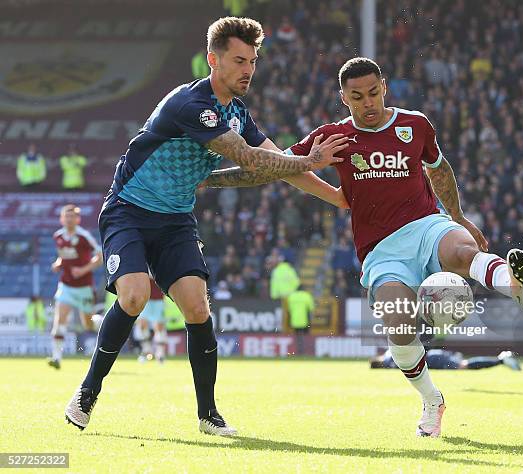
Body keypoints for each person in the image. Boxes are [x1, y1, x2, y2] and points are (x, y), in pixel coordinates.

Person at [205, 57, 523, 438]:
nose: (367, 103)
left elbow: (439, 170)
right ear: (343, 98)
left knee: (464, 250)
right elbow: (277, 166)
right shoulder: (333, 136)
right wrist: (209, 181)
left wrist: (459, 216)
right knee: (398, 327)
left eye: (373, 93)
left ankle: (514, 286)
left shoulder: (415, 125)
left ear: (384, 86)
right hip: (382, 251)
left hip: (427, 226)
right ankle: (432, 401)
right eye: (357, 97)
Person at [64, 16, 348, 436]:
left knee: (197, 307)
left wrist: (340, 200)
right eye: (239, 60)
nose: (248, 69)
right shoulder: (191, 105)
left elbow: (277, 166)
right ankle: (87, 392)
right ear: (213, 60)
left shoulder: (237, 113)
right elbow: (252, 159)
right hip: (129, 211)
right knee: (135, 295)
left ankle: (208, 415)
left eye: (253, 60)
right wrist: (308, 160)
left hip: (177, 219)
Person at [49, 204, 103, 369]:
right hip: (65, 284)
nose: (69, 219)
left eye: (72, 216)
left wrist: (83, 269)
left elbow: (100, 256)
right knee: (60, 319)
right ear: (61, 218)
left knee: (88, 324)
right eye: (66, 216)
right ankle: (56, 358)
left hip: (84, 287)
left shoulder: (83, 236)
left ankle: (101, 322)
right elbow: (63, 257)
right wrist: (58, 264)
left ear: (78, 219)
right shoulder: (58, 236)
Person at [370, 349, 521, 371]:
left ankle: (501, 360)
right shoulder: (390, 352)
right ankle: (501, 360)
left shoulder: (391, 362)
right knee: (463, 364)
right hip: (434, 355)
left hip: (433, 360)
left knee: (464, 366)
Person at [133, 276, 167, 363]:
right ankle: (146, 350)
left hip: (158, 296)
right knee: (142, 324)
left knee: (158, 325)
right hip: (144, 296)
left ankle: (160, 354)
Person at [286, 285, 315, 355]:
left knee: (297, 336)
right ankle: (305, 351)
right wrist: (311, 319)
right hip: (305, 320)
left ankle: (298, 351)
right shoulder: (307, 296)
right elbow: (311, 309)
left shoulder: (291, 297)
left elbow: (289, 310)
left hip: (294, 320)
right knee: (305, 336)